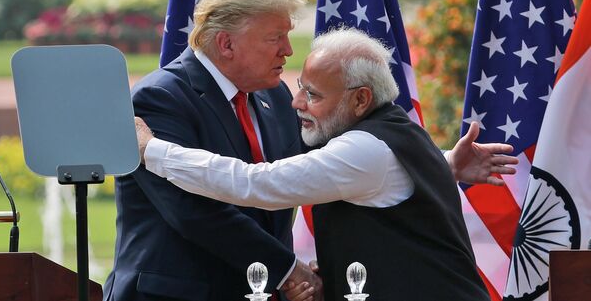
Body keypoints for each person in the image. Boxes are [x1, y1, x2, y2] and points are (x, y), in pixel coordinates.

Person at [135, 28, 519, 301]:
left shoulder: (362, 150)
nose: (296, 102)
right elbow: (390, 178)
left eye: (313, 94)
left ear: (360, 100)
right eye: (301, 85)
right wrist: (446, 163)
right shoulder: (394, 134)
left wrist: (151, 149)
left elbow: (253, 184)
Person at [103, 0, 323, 301]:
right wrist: (287, 270)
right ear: (226, 44)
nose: (288, 50)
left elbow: (294, 180)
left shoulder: (275, 95)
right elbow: (193, 211)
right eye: (275, 37)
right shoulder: (160, 99)